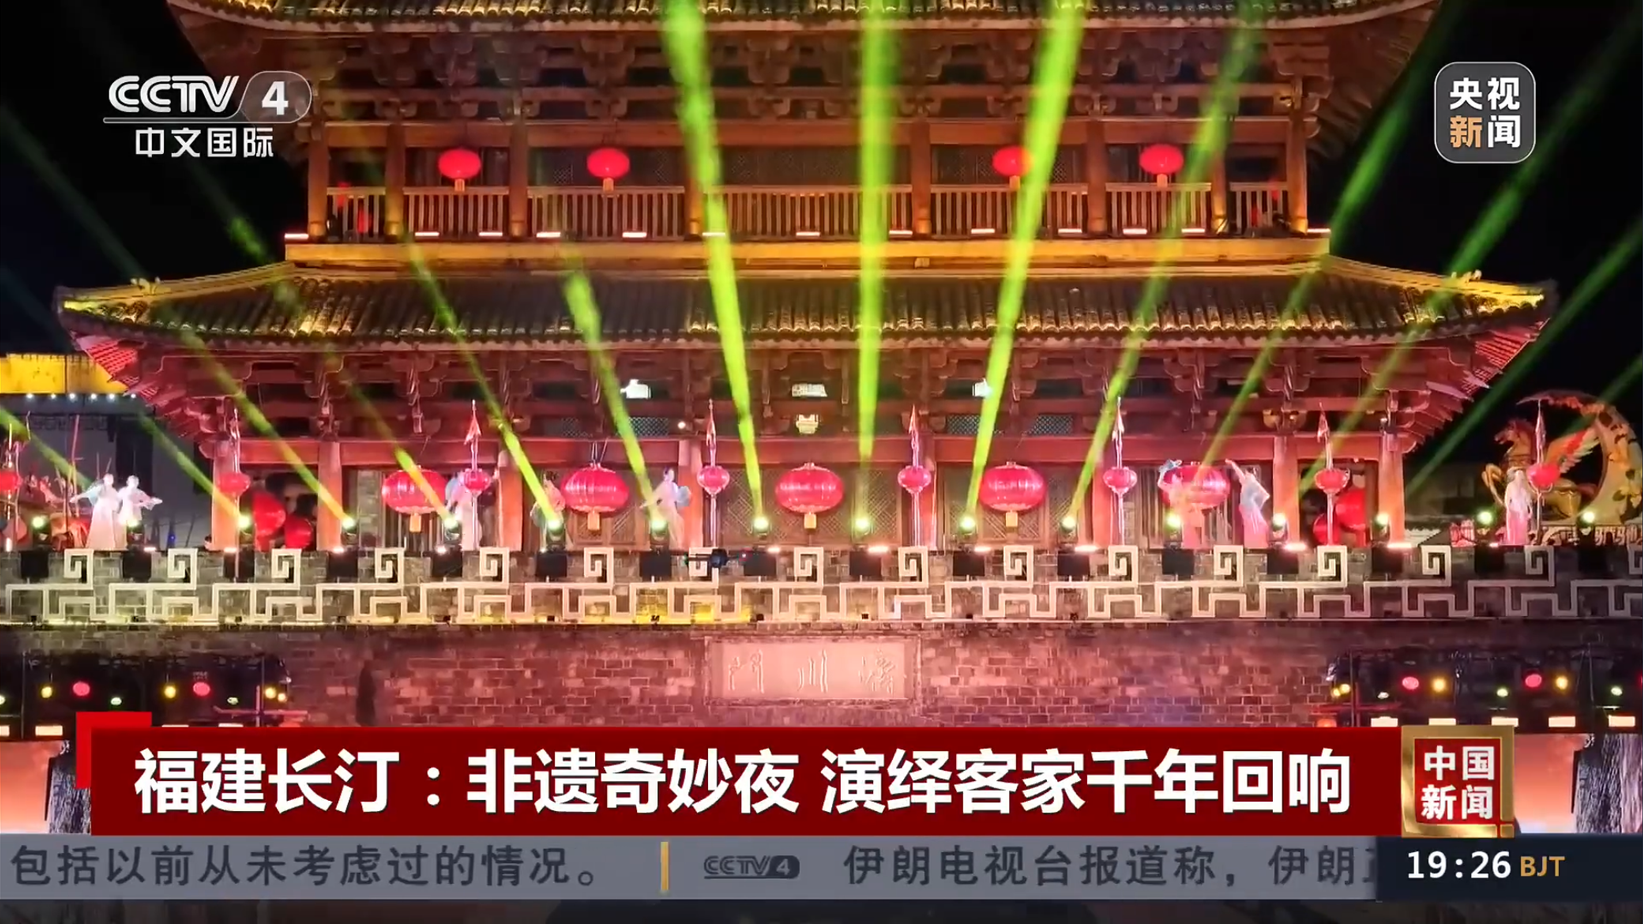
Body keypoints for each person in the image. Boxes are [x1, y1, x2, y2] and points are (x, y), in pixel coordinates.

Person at [71, 474, 123, 551]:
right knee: (97, 527)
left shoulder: (113, 491)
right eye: (107, 479)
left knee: (107, 528)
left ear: (112, 481)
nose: (109, 481)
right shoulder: (100, 488)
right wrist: (77, 497)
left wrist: (118, 510)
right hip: (99, 510)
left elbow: (117, 502)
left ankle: (107, 547)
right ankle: (95, 546)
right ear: (104, 480)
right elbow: (89, 493)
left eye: (111, 479)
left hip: (107, 512)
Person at [1227, 461, 1272, 548]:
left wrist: (1257, 505)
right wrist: (1233, 464)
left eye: (1247, 473)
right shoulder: (1246, 481)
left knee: (1253, 526)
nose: (1245, 474)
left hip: (1249, 507)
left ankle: (1255, 543)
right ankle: (1252, 543)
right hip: (1246, 506)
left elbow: (1264, 494)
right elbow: (1239, 474)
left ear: (1250, 474)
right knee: (1249, 526)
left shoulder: (1252, 482)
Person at [647, 467, 688, 549]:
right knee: (663, 525)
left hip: (671, 508)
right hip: (663, 508)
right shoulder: (663, 485)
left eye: (672, 474)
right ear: (665, 475)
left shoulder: (674, 486)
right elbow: (655, 496)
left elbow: (677, 497)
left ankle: (676, 544)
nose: (671, 476)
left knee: (678, 522)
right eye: (669, 474)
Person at [117, 476, 161, 541]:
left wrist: (153, 500)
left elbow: (147, 500)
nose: (134, 483)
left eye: (136, 482)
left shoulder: (139, 492)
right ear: (128, 482)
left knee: (136, 535)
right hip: (125, 514)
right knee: (122, 534)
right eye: (133, 481)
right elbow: (116, 500)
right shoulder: (123, 491)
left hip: (135, 515)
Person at [1503, 467, 1533, 546]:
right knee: (1513, 529)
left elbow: (1528, 500)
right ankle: (1513, 544)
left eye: (1521, 474)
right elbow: (1507, 499)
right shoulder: (1511, 485)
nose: (1520, 475)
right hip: (1514, 510)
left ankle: (1522, 543)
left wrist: (1531, 510)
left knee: (1523, 529)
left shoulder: (1525, 486)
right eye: (1518, 473)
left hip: (1523, 510)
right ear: (1515, 475)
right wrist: (1508, 509)